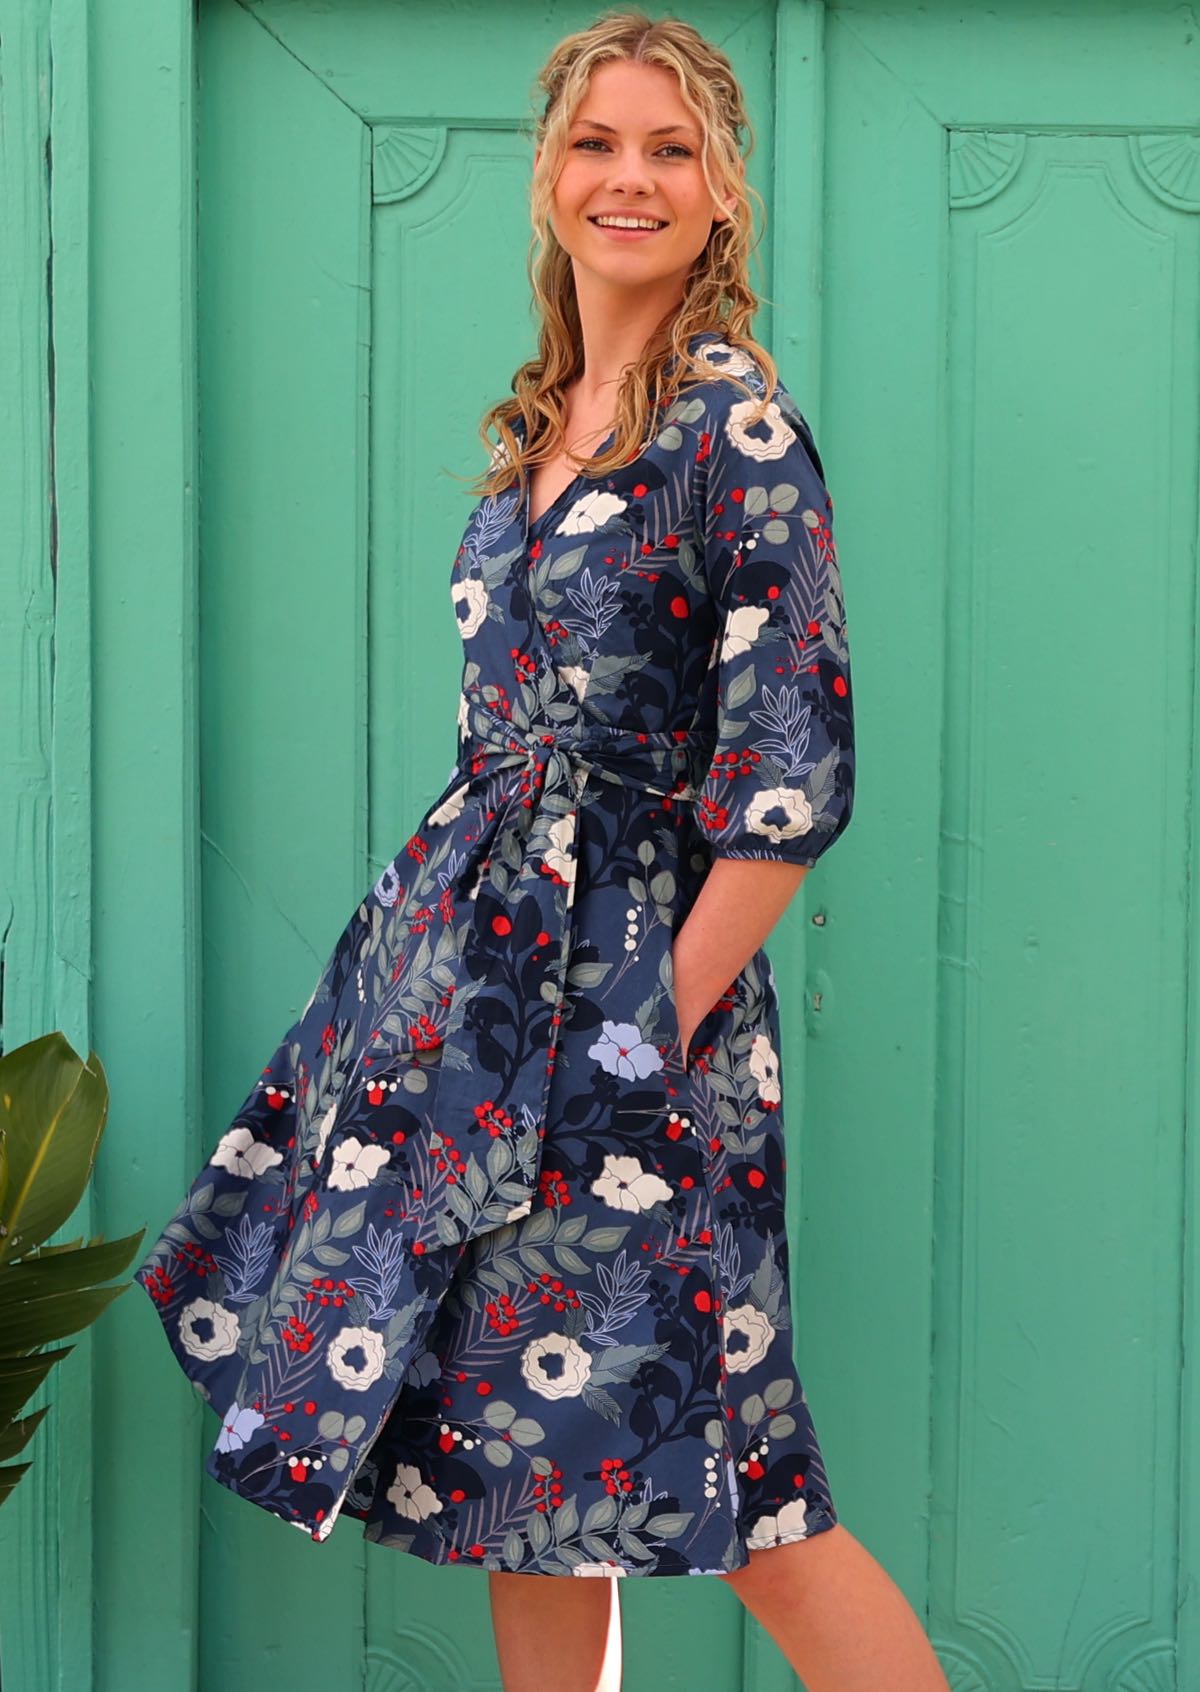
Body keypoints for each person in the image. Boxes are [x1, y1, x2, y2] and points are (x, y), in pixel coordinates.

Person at [134, 8, 950, 1690]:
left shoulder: (735, 435)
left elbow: (788, 785)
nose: (627, 178)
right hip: (469, 1021)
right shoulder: (541, 433)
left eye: (670, 150)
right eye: (596, 142)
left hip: (633, 1034)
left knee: (747, 1489)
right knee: (513, 1483)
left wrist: (647, 1036)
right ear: (547, 176)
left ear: (721, 196)